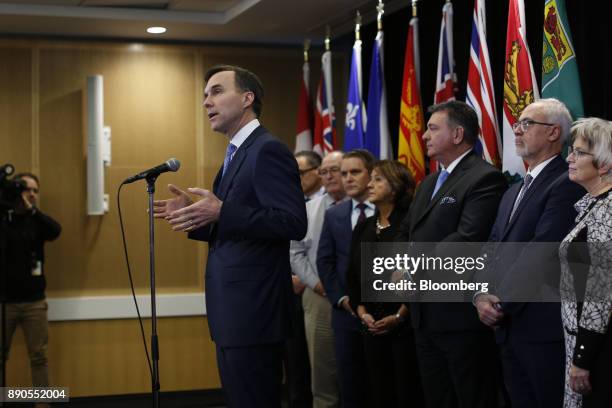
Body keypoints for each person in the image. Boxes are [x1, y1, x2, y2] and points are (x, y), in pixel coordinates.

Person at [153, 65, 307, 408]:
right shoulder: (238, 153)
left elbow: (292, 222)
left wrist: (222, 211)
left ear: (247, 98)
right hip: (235, 310)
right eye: (205, 95)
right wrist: (194, 215)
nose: (207, 101)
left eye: (217, 91)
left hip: (254, 309)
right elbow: (241, 225)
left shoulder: (267, 149)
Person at [474, 98, 585, 408]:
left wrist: (500, 302)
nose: (517, 130)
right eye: (517, 124)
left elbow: (542, 250)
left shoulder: (567, 182)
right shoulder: (512, 190)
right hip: (507, 328)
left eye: (526, 124)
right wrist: (481, 295)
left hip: (540, 328)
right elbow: (492, 246)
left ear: (553, 133)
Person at [398, 100, 507, 408]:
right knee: (437, 398)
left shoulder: (485, 178)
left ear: (458, 134)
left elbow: (467, 238)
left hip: (458, 315)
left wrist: (412, 267)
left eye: (433, 129)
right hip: (423, 315)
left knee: (472, 397)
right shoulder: (430, 181)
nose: (424, 136)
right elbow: (408, 231)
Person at [346, 160, 422, 408]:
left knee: (407, 393)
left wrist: (400, 316)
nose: (370, 184)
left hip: (405, 326)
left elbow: (420, 276)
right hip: (371, 326)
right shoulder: (365, 226)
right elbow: (353, 276)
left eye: (378, 179)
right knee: (378, 393)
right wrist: (362, 312)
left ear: (396, 186)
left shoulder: (410, 226)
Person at [559, 118, 612, 408]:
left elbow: (600, 291)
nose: (569, 157)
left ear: (603, 165)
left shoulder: (608, 210)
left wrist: (583, 357)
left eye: (579, 152)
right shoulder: (594, 205)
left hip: (598, 350)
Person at [317, 149, 375, 408]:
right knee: (350, 383)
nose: (348, 179)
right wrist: (341, 298)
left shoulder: (388, 211)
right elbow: (325, 261)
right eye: (344, 174)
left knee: (381, 383)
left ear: (371, 174)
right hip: (345, 313)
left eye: (355, 172)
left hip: (381, 312)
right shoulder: (334, 214)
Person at [1, 172, 61, 408]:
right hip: (4, 301)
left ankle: (42, 404)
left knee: (39, 357)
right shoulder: (3, 219)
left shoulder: (36, 220)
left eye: (36, 191)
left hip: (34, 302)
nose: (32, 195)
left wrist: (32, 212)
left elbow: (56, 231)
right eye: (27, 190)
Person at [290, 151, 345, 408]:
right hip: (319, 294)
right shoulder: (308, 209)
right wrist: (315, 282)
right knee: (322, 375)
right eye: (324, 171)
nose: (329, 175)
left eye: (336, 169)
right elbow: (295, 251)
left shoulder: (368, 208)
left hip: (358, 297)